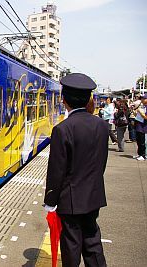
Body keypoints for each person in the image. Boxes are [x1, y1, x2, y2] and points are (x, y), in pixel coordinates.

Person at [44, 73, 108, 267]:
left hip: (70, 201)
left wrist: (50, 202)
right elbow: (100, 163)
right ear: (89, 98)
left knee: (71, 245)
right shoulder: (101, 125)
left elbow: (56, 171)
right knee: (92, 241)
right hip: (93, 196)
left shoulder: (62, 129)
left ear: (63, 100)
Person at [133, 96, 147, 160]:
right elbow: (137, 115)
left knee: (142, 142)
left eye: (143, 99)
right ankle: (139, 154)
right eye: (142, 98)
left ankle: (143, 155)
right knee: (138, 141)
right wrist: (135, 112)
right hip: (138, 125)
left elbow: (145, 117)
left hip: (143, 127)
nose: (142, 100)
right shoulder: (142, 106)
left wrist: (141, 112)